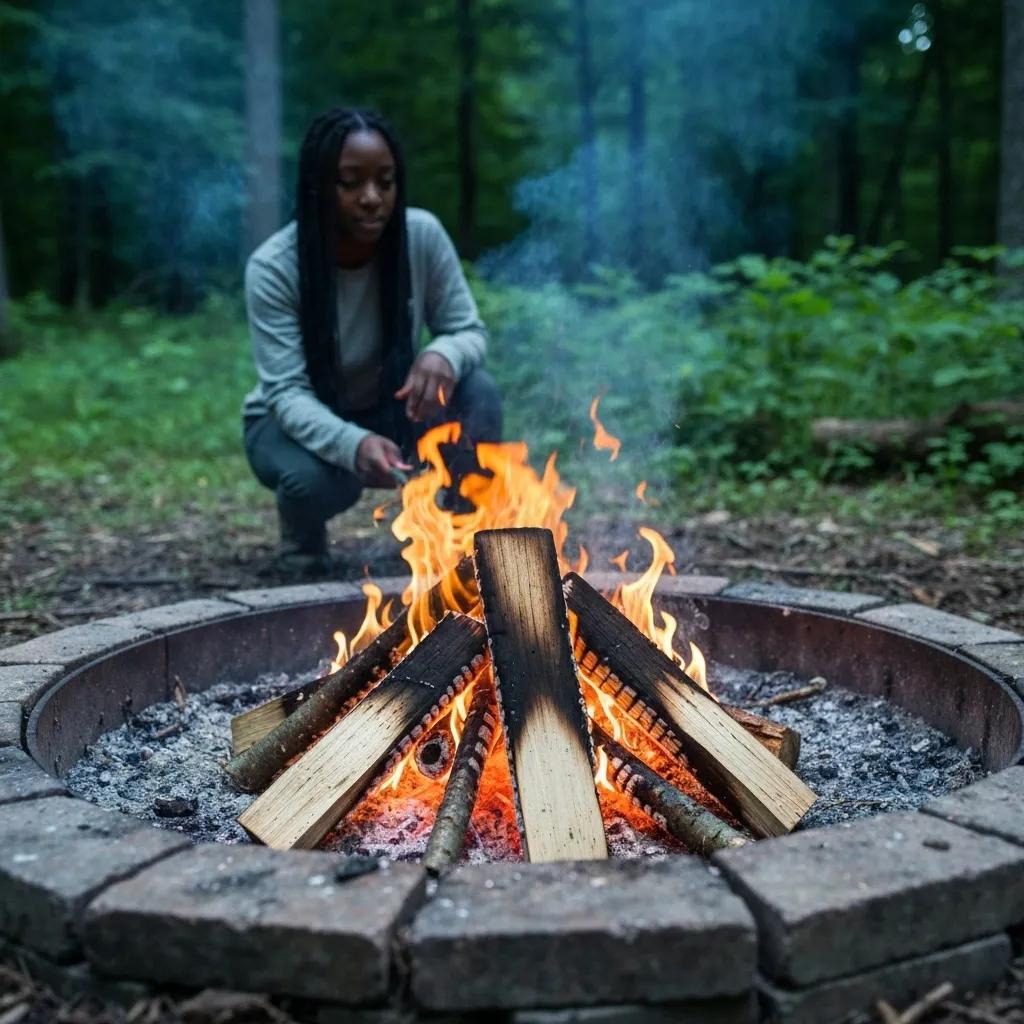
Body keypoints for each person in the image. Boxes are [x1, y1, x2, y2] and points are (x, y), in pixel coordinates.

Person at [242, 108, 502, 574]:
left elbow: (469, 330)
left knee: (477, 391)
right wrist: (353, 443)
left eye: (385, 181)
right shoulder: (275, 267)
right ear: (320, 186)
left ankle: (465, 544)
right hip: (288, 421)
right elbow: (286, 393)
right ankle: (302, 549)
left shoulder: (420, 236)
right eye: (350, 182)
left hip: (393, 402)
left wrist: (442, 353)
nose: (371, 198)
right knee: (314, 481)